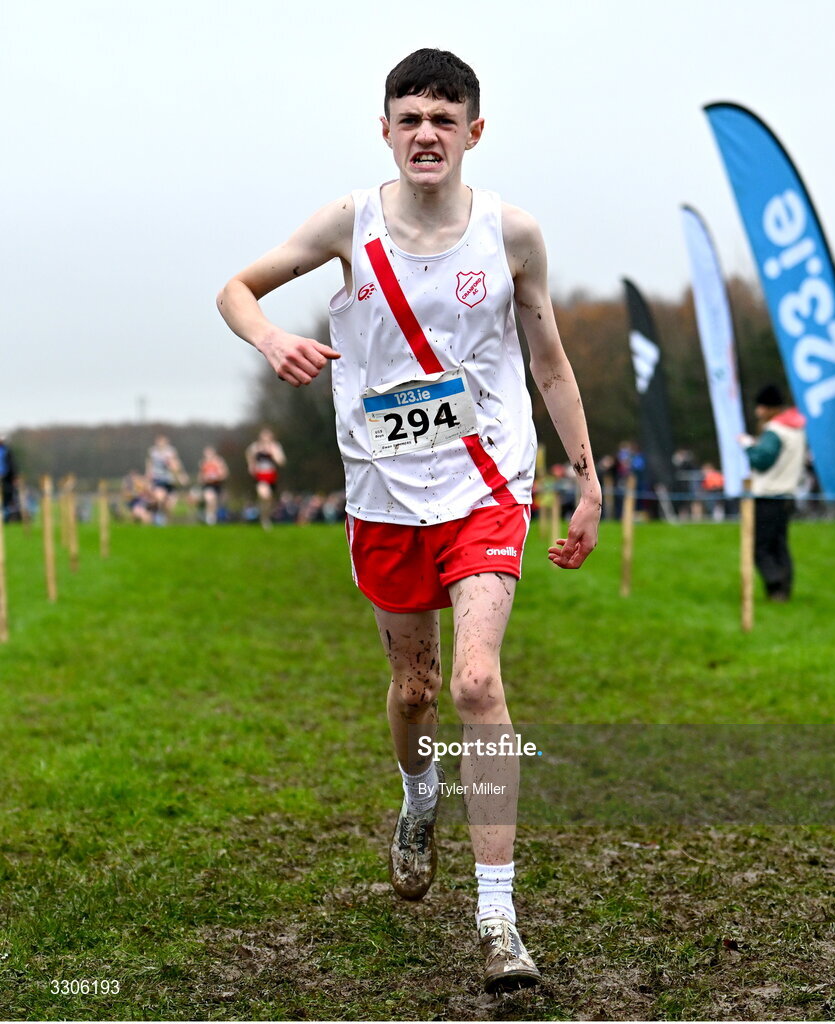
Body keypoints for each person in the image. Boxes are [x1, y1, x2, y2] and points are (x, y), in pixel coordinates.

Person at [216, 47, 601, 993]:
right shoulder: (347, 222)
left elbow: (546, 363)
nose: (425, 132)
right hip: (385, 495)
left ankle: (499, 919)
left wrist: (585, 481)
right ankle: (418, 789)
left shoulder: (512, 235)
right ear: (384, 129)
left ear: (474, 131)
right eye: (409, 116)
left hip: (485, 486)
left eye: (443, 117)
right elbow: (236, 289)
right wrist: (272, 337)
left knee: (476, 683)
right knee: (417, 691)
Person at [740, 385, 806, 601]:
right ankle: (782, 592)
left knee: (758, 546)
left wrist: (749, 446)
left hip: (768, 496)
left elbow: (762, 460)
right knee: (780, 546)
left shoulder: (775, 431)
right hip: (787, 495)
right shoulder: (797, 429)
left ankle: (774, 581)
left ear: (770, 408)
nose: (758, 411)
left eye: (761, 407)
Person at [245, 427, 286, 528]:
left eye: (268, 437)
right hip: (260, 477)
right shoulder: (255, 447)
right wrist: (250, 465)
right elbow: (248, 454)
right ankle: (264, 519)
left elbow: (282, 461)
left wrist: (274, 454)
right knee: (264, 495)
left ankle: (265, 517)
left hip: (271, 477)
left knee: (269, 499)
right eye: (263, 437)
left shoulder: (275, 447)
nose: (265, 439)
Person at [146, 434, 188, 526]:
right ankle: (158, 517)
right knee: (160, 497)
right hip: (158, 480)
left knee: (170, 505)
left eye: (162, 441)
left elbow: (177, 464)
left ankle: (166, 522)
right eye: (158, 441)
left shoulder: (171, 451)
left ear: (166, 442)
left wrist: (181, 475)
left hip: (170, 481)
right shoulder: (153, 452)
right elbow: (149, 465)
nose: (160, 443)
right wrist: (148, 480)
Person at [198, 446, 229, 525]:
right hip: (207, 485)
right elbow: (200, 477)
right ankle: (209, 518)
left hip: (217, 485)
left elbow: (225, 474)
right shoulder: (203, 463)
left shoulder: (219, 462)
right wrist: (204, 478)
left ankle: (213, 517)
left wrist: (217, 477)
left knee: (214, 501)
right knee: (209, 499)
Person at [0, 435, 18, 521]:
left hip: (6, 477)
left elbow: (12, 464)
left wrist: (14, 477)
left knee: (7, 495)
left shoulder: (7, 451)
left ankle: (6, 516)